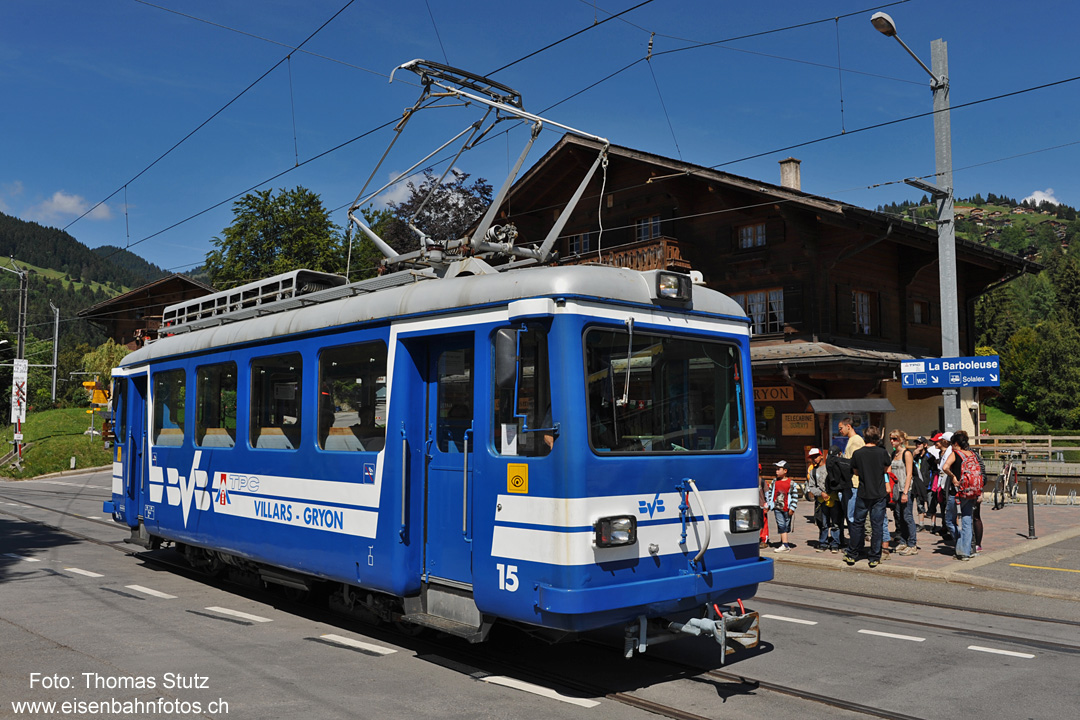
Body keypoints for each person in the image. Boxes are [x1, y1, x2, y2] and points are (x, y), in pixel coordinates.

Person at [843, 426, 891, 568]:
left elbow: (855, 472)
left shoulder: (858, 453)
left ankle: (852, 554)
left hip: (863, 492)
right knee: (877, 525)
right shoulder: (882, 452)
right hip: (879, 492)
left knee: (858, 524)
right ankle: (875, 556)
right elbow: (887, 470)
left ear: (865, 437)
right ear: (877, 438)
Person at [941, 430, 982, 561]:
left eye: (952, 443)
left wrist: (953, 477)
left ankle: (961, 545)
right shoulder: (972, 454)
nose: (951, 446)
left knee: (949, 520)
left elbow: (945, 467)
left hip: (957, 492)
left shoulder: (955, 454)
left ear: (956, 443)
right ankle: (966, 550)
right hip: (971, 492)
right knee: (967, 520)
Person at [889, 430, 918, 555]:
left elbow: (909, 474)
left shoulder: (906, 453)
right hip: (895, 490)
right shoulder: (893, 453)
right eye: (891, 438)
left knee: (907, 516)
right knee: (899, 516)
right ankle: (903, 541)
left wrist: (906, 492)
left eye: (895, 439)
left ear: (901, 440)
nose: (892, 441)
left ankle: (912, 544)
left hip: (905, 489)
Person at [805, 447, 839, 552]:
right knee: (823, 523)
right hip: (821, 501)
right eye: (812, 457)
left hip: (834, 499)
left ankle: (835, 543)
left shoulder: (830, 468)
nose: (814, 459)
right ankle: (823, 542)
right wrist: (821, 493)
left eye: (816, 456)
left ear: (821, 456)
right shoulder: (813, 472)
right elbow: (812, 486)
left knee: (835, 523)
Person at [765, 460, 798, 552]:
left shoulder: (791, 483)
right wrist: (769, 505)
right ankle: (785, 545)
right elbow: (771, 494)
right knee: (781, 525)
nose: (776, 471)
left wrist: (792, 508)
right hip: (777, 508)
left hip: (787, 509)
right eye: (776, 469)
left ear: (785, 471)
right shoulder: (774, 482)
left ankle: (784, 542)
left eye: (779, 469)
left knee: (786, 526)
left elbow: (795, 496)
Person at [824, 445, 852, 548]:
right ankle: (841, 541)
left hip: (834, 493)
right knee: (845, 519)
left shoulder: (829, 463)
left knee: (836, 520)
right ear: (840, 453)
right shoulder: (841, 462)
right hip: (843, 493)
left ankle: (838, 541)